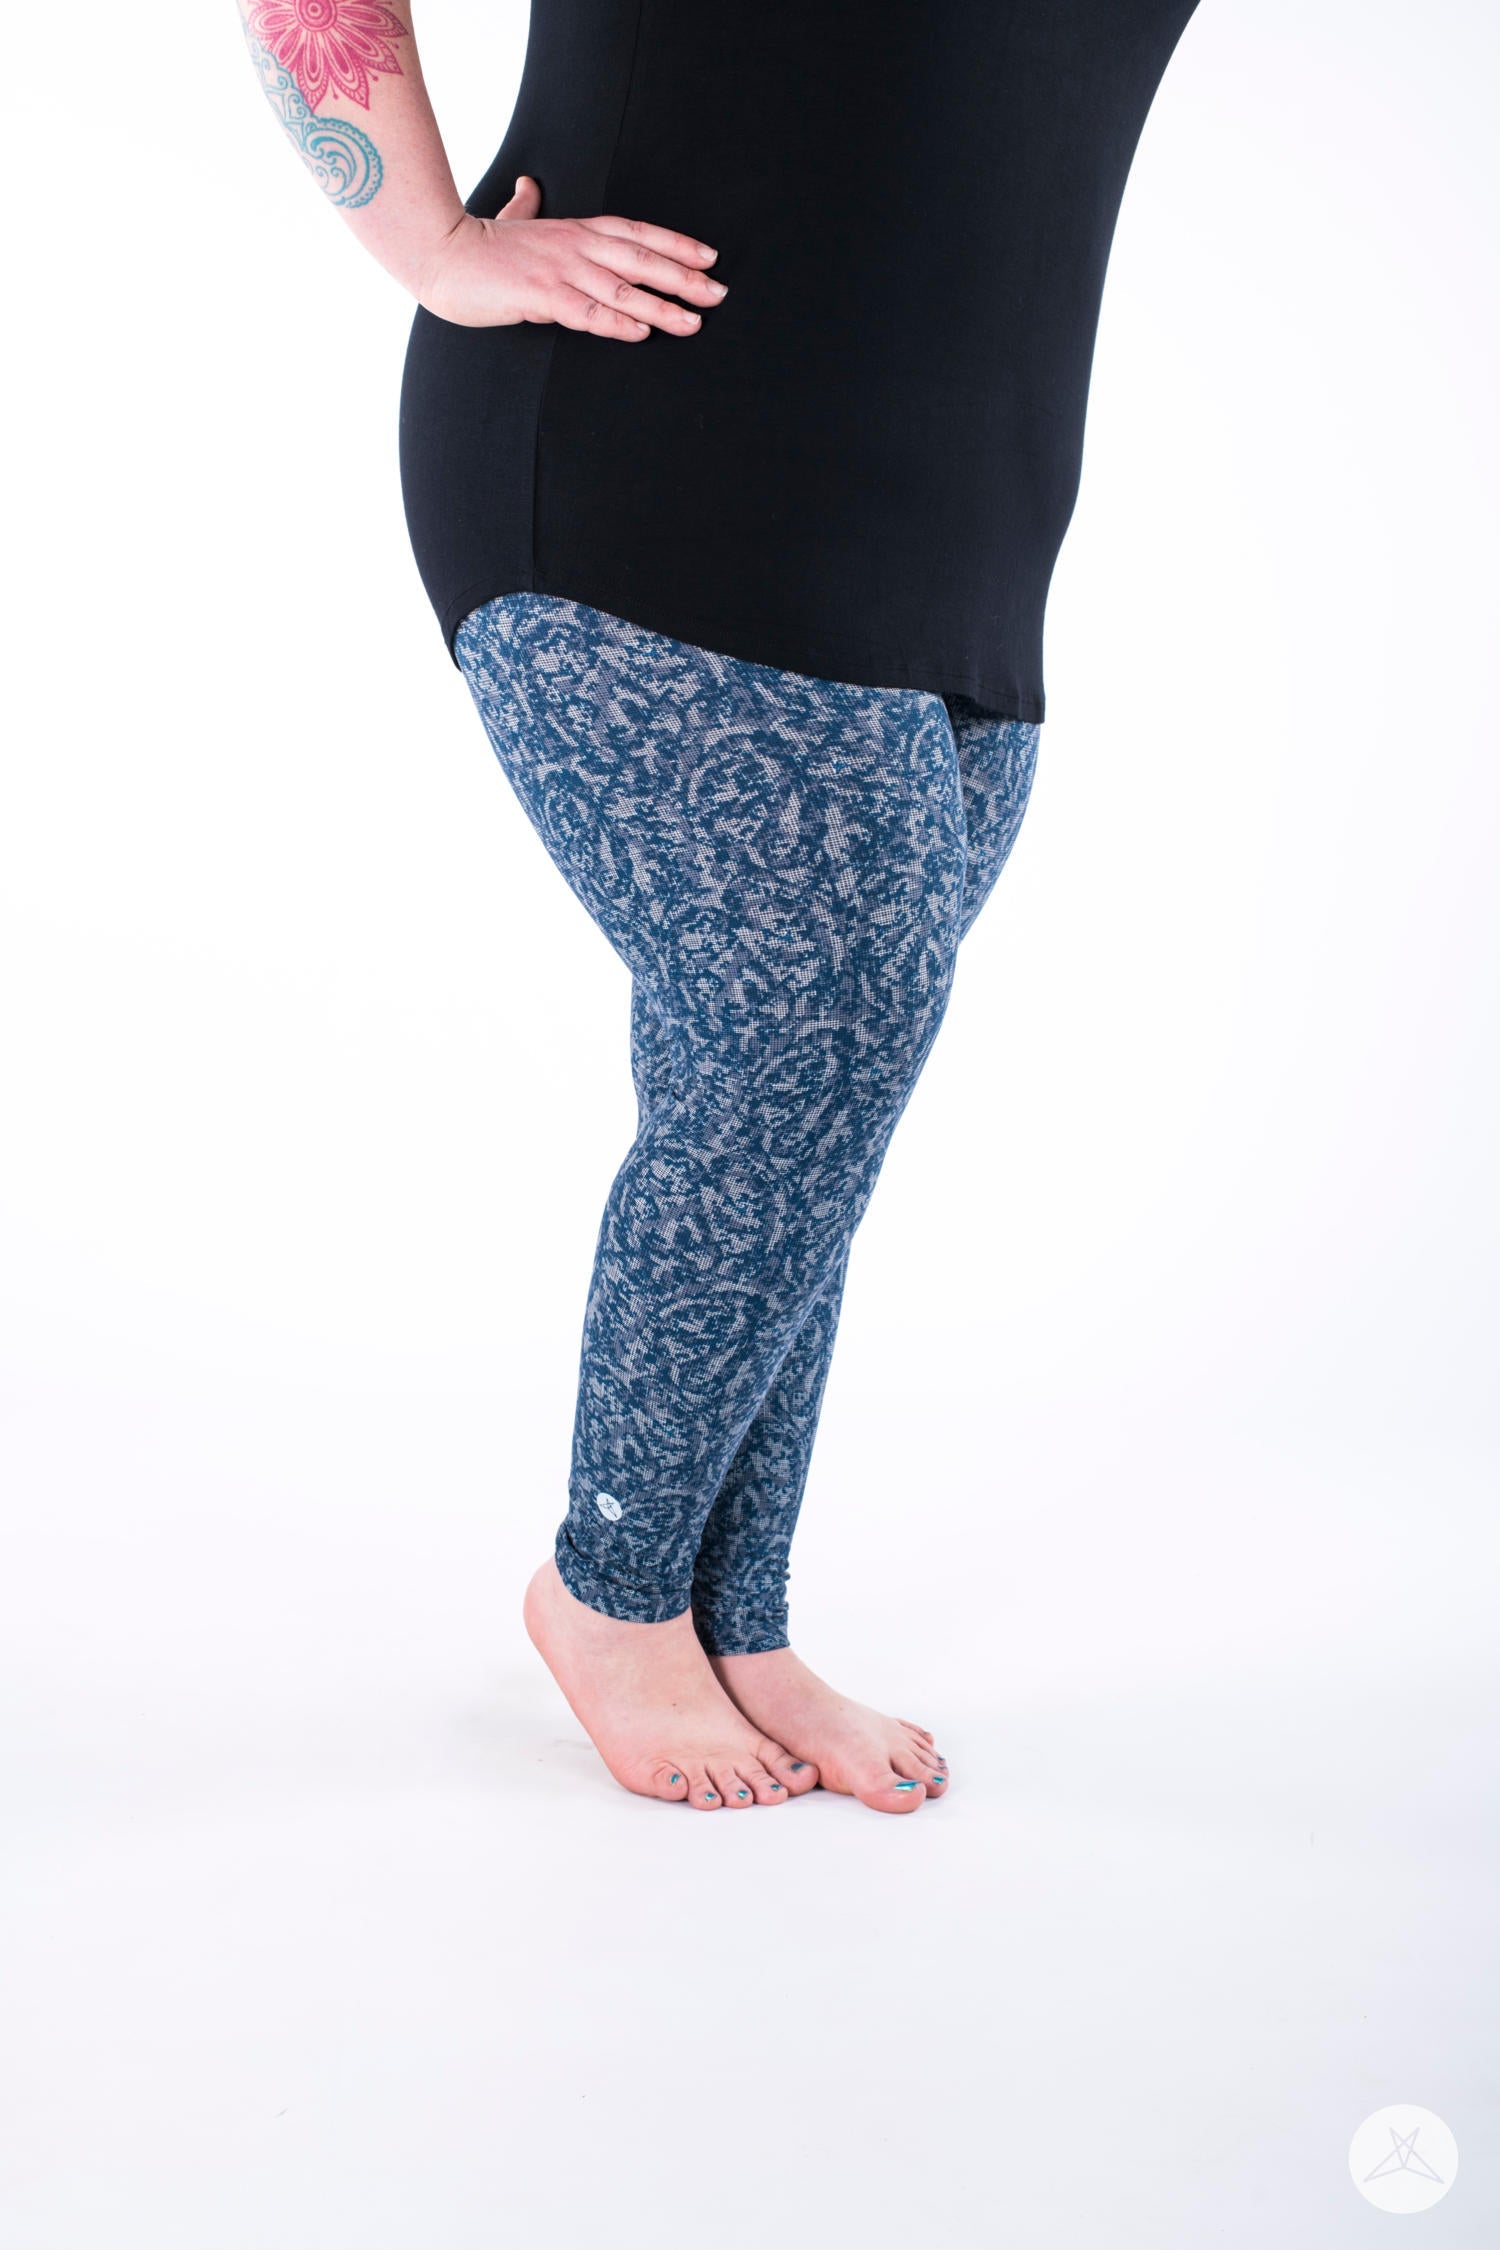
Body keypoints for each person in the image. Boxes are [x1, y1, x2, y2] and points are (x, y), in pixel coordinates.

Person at [238, 0, 1201, 1814]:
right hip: (652, 443)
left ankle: (733, 1616)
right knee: (803, 1047)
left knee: (805, 1103)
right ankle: (609, 1593)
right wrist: (431, 243)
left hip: (964, 519)